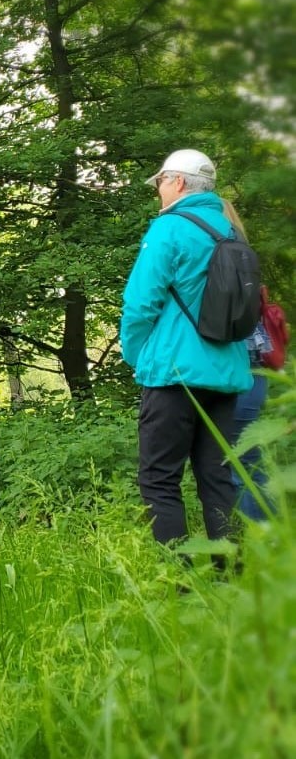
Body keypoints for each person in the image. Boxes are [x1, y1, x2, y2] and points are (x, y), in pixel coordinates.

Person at [120, 149, 252, 554]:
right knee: (218, 479)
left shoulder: (169, 228)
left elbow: (140, 303)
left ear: (177, 182)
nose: (158, 189)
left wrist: (136, 355)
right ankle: (230, 575)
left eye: (160, 181)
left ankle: (177, 580)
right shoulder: (230, 231)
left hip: (173, 373)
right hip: (226, 375)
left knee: (159, 480)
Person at [220, 199, 274, 520]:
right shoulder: (244, 259)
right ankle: (262, 533)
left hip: (242, 367)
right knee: (245, 459)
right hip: (254, 369)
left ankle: (264, 535)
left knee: (243, 461)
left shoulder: (226, 262)